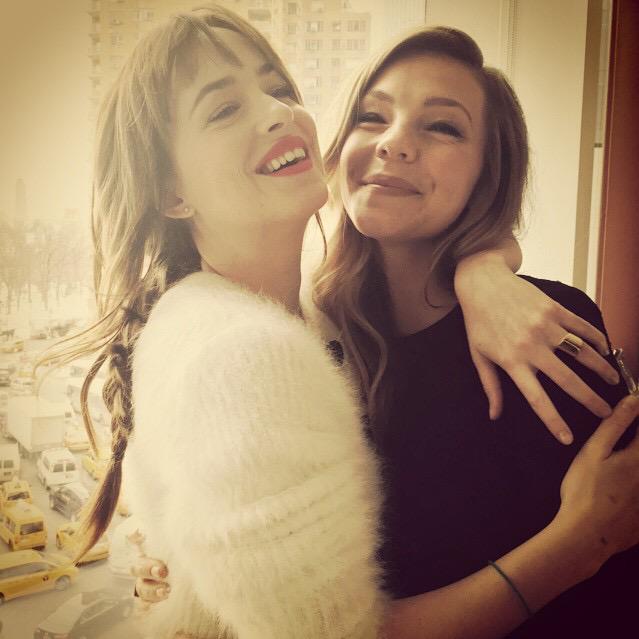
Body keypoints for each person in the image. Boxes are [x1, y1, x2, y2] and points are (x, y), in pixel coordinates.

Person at [131, 16, 639, 639]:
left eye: (443, 127)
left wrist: (482, 266)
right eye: (372, 117)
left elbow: (617, 555)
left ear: (488, 172)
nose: (395, 143)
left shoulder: (541, 329)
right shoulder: (313, 333)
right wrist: (198, 584)